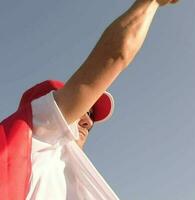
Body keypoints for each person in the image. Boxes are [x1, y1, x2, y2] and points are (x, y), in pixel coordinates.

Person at [0, 0, 179, 199]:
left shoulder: (74, 181)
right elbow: (115, 55)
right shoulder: (39, 137)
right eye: (82, 109)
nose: (89, 121)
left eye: (91, 114)